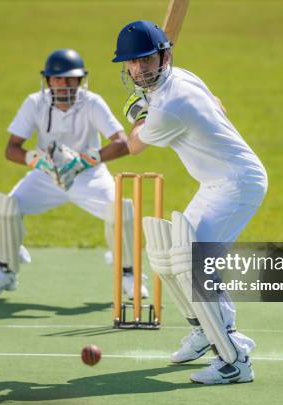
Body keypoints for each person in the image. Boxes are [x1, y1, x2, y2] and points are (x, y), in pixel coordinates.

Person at [112, 21, 268, 384]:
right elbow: (219, 106)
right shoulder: (183, 78)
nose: (138, 69)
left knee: (195, 265)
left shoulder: (171, 105)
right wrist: (149, 104)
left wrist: (138, 112)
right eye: (131, 63)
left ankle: (234, 362)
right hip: (216, 181)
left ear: (164, 55)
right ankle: (210, 330)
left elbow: (134, 147)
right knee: (170, 256)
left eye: (146, 59)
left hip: (237, 183)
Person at [0, 48, 147, 299]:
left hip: (89, 175)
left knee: (120, 210)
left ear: (81, 80)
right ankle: (6, 269)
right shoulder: (35, 103)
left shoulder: (92, 102)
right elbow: (11, 149)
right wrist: (37, 161)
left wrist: (85, 160)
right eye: (58, 78)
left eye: (70, 78)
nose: (64, 84)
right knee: (6, 207)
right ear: (48, 80)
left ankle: (129, 275)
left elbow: (123, 143)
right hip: (46, 175)